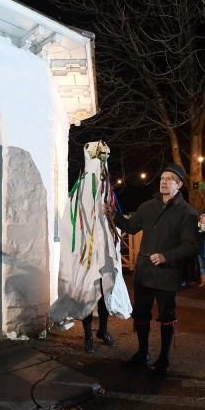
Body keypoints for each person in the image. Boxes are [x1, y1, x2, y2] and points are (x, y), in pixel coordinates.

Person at [103, 163, 197, 374]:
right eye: (162, 178)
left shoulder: (187, 212)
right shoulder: (148, 206)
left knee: (166, 315)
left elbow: (191, 246)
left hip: (167, 273)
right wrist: (113, 213)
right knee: (141, 314)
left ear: (179, 185)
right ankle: (142, 353)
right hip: (144, 272)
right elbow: (130, 227)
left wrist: (166, 256)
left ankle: (164, 358)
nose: (164, 181)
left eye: (169, 179)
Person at [47, 141, 131, 353]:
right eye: (97, 159)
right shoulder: (81, 189)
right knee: (85, 291)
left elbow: (110, 219)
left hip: (104, 251)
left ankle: (103, 330)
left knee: (105, 290)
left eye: (103, 160)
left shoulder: (106, 188)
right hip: (84, 252)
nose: (100, 165)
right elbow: (72, 223)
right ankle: (87, 336)